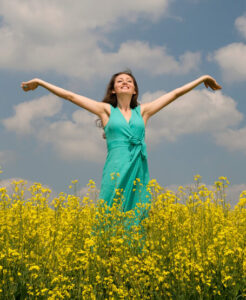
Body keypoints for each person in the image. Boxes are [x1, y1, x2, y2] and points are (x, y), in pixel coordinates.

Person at [21, 71, 221, 218]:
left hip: (138, 168)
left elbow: (175, 94)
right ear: (113, 89)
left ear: (134, 89)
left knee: (137, 214)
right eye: (120, 81)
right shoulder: (105, 110)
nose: (125, 83)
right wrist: (40, 82)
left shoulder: (143, 111)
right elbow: (70, 96)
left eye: (129, 81)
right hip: (115, 168)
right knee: (110, 211)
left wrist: (202, 78)